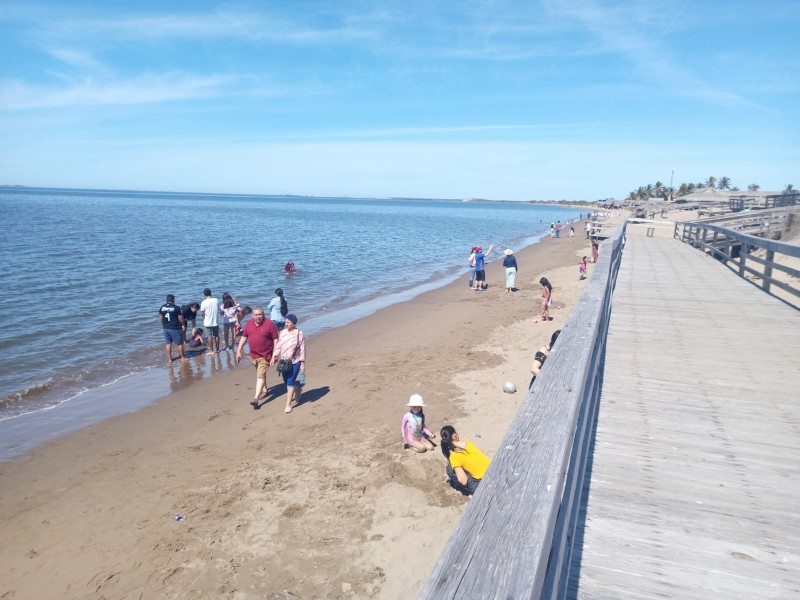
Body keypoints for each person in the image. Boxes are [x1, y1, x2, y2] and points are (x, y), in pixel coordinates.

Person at [236, 306, 280, 408]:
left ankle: (255, 398)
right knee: (260, 373)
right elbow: (244, 337)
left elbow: (275, 339)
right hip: (253, 355)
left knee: (260, 375)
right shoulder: (249, 323)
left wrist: (275, 355)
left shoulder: (269, 324)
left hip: (266, 355)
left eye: (260, 314)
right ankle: (265, 390)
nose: (258, 317)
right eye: (256, 315)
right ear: (253, 316)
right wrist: (238, 351)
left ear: (263, 314)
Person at [439, 425, 490, 496]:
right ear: (454, 435)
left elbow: (463, 481)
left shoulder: (454, 457)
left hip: (483, 481)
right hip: (491, 468)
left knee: (450, 469)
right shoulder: (467, 441)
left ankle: (469, 493)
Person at [270, 313, 305, 413]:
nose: (286, 324)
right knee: (286, 381)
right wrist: (274, 356)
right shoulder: (283, 333)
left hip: (296, 361)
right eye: (285, 322)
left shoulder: (299, 333)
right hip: (284, 361)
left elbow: (302, 349)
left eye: (288, 322)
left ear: (293, 323)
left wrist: (302, 363)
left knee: (290, 382)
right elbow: (279, 345)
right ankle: (297, 390)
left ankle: (288, 405)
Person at [158, 294, 188, 364]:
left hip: (165, 328)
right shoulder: (176, 307)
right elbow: (180, 317)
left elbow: (161, 317)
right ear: (173, 300)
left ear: (167, 300)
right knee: (179, 343)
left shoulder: (162, 307)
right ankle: (182, 357)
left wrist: (163, 323)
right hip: (174, 328)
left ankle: (170, 359)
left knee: (168, 344)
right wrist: (183, 325)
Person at [199, 288, 222, 355]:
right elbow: (218, 309)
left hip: (207, 322)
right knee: (216, 335)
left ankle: (211, 351)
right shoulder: (216, 300)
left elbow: (201, 313)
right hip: (215, 321)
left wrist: (204, 317)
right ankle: (217, 350)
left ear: (204, 294)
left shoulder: (203, 302)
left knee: (209, 336)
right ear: (210, 293)